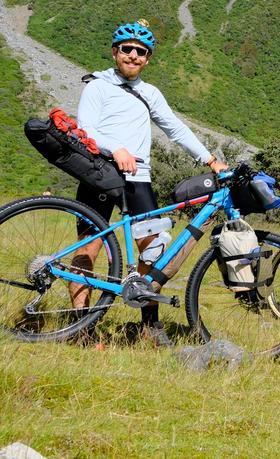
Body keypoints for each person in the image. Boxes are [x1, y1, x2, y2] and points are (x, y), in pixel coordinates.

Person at [72, 20, 227, 346]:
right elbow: (85, 131)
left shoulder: (149, 93)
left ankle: (150, 326)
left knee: (154, 250)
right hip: (99, 174)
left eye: (140, 51)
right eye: (127, 49)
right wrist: (116, 149)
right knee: (88, 249)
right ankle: (80, 330)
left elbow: (176, 128)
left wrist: (210, 160)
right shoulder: (97, 86)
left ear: (147, 58)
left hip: (137, 181)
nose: (133, 55)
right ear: (115, 52)